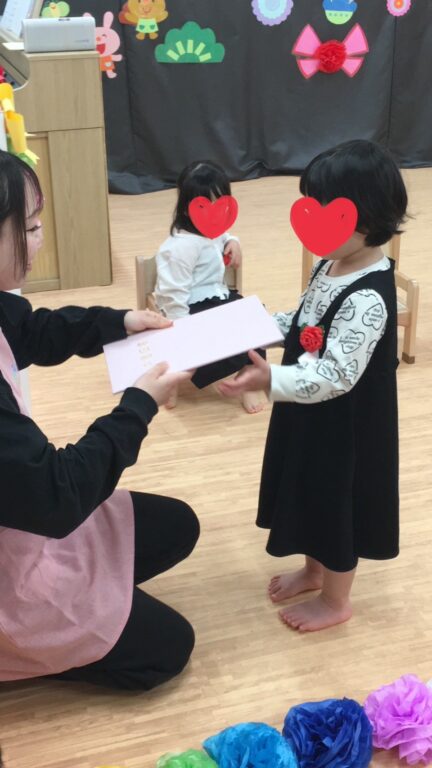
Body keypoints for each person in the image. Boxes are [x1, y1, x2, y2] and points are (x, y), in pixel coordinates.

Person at [0, 150, 199, 689]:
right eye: (31, 227)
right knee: (170, 649)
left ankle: (92, 604)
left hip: (27, 514)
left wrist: (120, 322)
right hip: (26, 534)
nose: (40, 239)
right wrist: (140, 403)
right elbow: (56, 495)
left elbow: (34, 331)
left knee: (179, 525)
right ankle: (36, 647)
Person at [219, 139, 408, 632]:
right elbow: (308, 322)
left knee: (338, 505)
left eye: (326, 215)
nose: (312, 227)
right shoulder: (332, 264)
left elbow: (336, 375)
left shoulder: (369, 297)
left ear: (366, 219)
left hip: (346, 429)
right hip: (310, 413)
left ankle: (336, 600)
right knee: (309, 494)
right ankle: (312, 570)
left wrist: (271, 378)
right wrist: (259, 327)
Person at [155, 160, 265, 413]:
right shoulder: (180, 246)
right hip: (187, 305)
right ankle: (175, 375)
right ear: (187, 208)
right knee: (220, 332)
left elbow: (224, 234)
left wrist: (233, 240)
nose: (216, 212)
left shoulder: (212, 229)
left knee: (257, 318)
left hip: (217, 296)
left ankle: (248, 377)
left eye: (221, 203)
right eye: (206, 205)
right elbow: (173, 293)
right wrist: (181, 331)